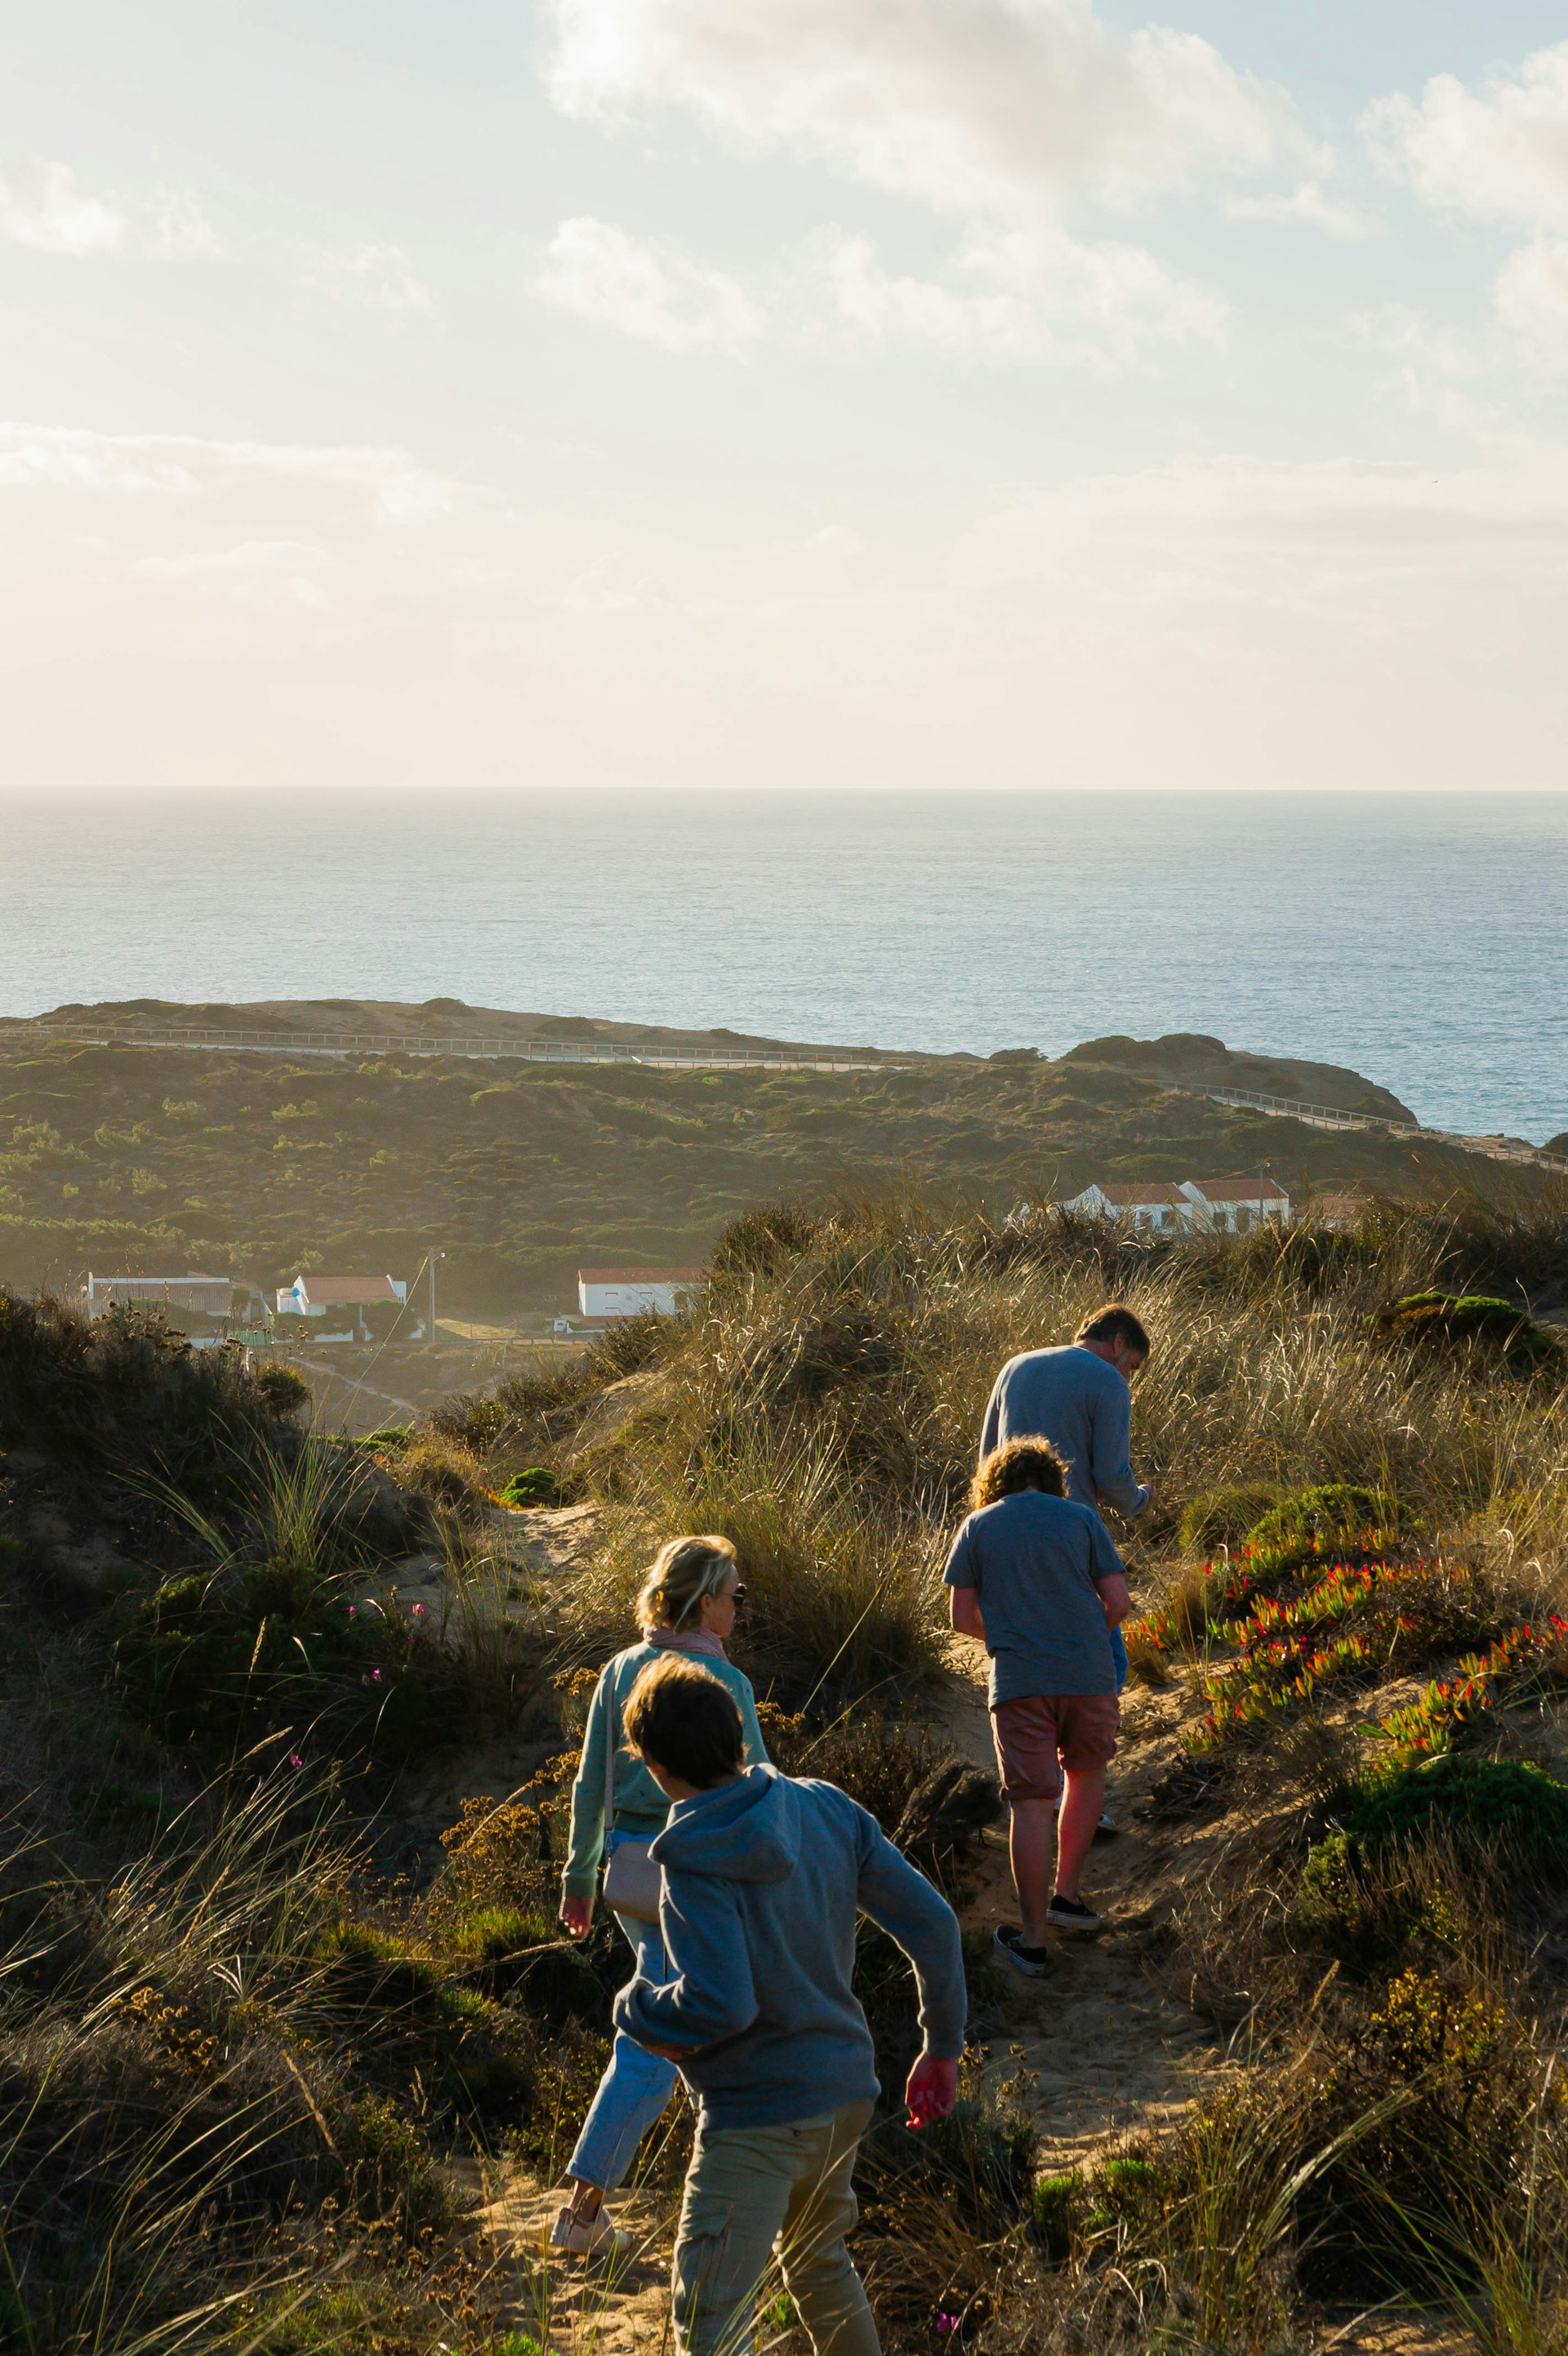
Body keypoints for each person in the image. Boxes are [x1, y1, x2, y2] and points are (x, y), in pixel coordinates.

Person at [615, 1655, 967, 2356]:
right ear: (736, 1731)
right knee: (820, 2265)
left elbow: (721, 2004)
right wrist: (942, 2045)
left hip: (758, 2116)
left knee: (711, 2318)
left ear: (654, 1765)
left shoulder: (690, 1860)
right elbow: (934, 1922)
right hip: (843, 2096)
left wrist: (638, 2008)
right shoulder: (826, 1806)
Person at [554, 1534, 768, 2259]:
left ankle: (701, 2192)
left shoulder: (620, 1669)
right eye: (734, 1594)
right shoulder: (723, 1684)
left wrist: (579, 1881)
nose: (739, 1606)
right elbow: (758, 1788)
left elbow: (590, 1787)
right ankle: (584, 2210)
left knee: (679, 2021)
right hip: (697, 1874)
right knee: (659, 2032)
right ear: (705, 1598)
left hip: (628, 1872)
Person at [945, 1437, 1130, 1970]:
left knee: (1029, 1804)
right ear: (1052, 1479)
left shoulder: (978, 1527)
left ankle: (1032, 1940)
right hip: (1089, 1674)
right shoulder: (1081, 1520)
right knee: (1086, 1776)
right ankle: (1067, 1897)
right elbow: (1118, 1602)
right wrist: (1083, 1636)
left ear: (993, 1482)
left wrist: (1009, 1636)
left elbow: (960, 1617)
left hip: (1021, 1679)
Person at [978, 1302, 1152, 1821]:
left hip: (1002, 1534)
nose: (1130, 1377)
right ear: (1118, 1343)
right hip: (1072, 1541)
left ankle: (1041, 1785)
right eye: (1134, 1366)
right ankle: (1078, 1791)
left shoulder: (1016, 1366)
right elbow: (1111, 1473)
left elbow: (986, 1458)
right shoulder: (1107, 1380)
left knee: (1025, 1661)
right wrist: (1142, 1501)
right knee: (1105, 1663)